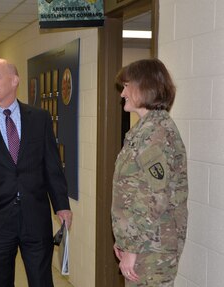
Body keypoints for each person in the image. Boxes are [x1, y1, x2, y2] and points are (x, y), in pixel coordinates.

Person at [0, 58, 72, 287]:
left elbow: (52, 166)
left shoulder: (39, 118)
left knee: (42, 281)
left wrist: (61, 204)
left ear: (14, 80)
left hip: (35, 219)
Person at [111, 58, 188, 286]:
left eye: (126, 86)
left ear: (144, 87)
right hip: (143, 243)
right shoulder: (144, 129)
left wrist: (132, 247)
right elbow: (134, 190)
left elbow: (156, 197)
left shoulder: (157, 133)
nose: (122, 93)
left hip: (152, 249)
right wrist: (124, 239)